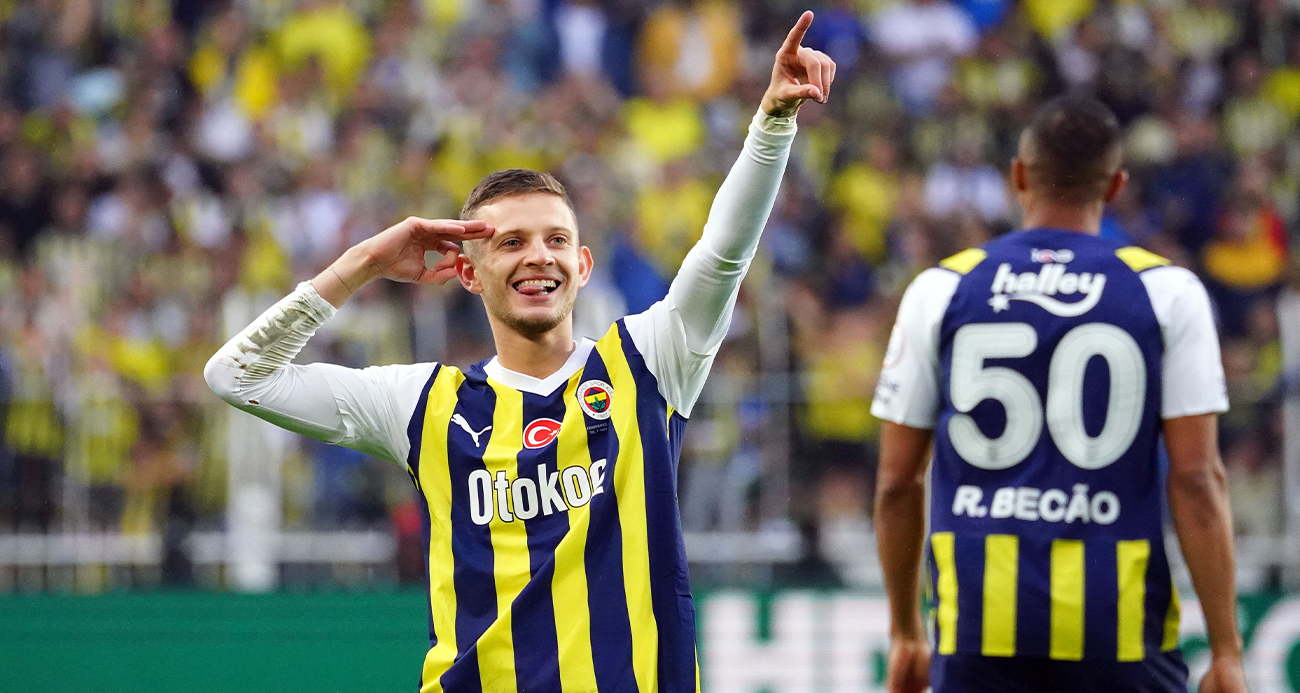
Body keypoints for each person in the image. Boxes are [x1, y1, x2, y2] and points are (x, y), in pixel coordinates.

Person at [204, 12, 835, 692]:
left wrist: (773, 123)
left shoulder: (649, 363)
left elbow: (723, 254)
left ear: (583, 266)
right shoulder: (425, 406)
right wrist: (361, 264)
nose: (538, 256)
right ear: (469, 273)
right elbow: (237, 375)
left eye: (556, 240)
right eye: (510, 243)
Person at [871, 95, 1247, 693]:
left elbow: (896, 483)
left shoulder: (940, 289)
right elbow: (1198, 479)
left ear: (1018, 176)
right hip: (1119, 634)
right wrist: (1226, 651)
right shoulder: (1168, 292)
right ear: (1116, 185)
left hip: (977, 635)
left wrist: (905, 632)